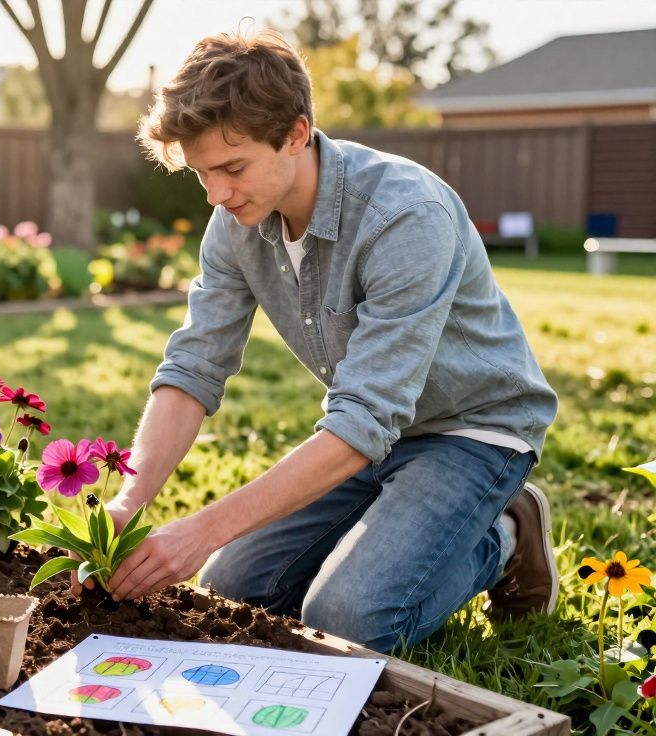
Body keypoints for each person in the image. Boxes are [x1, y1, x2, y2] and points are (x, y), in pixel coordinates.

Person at [79, 30, 560, 652]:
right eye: (202, 175)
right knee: (233, 590)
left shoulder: (405, 216)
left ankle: (506, 533)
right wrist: (129, 500)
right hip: (371, 435)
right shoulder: (235, 221)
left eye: (232, 168)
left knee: (347, 618)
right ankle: (388, 524)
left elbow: (363, 417)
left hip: (473, 431)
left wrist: (197, 532)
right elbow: (195, 365)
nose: (217, 195)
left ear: (297, 134)